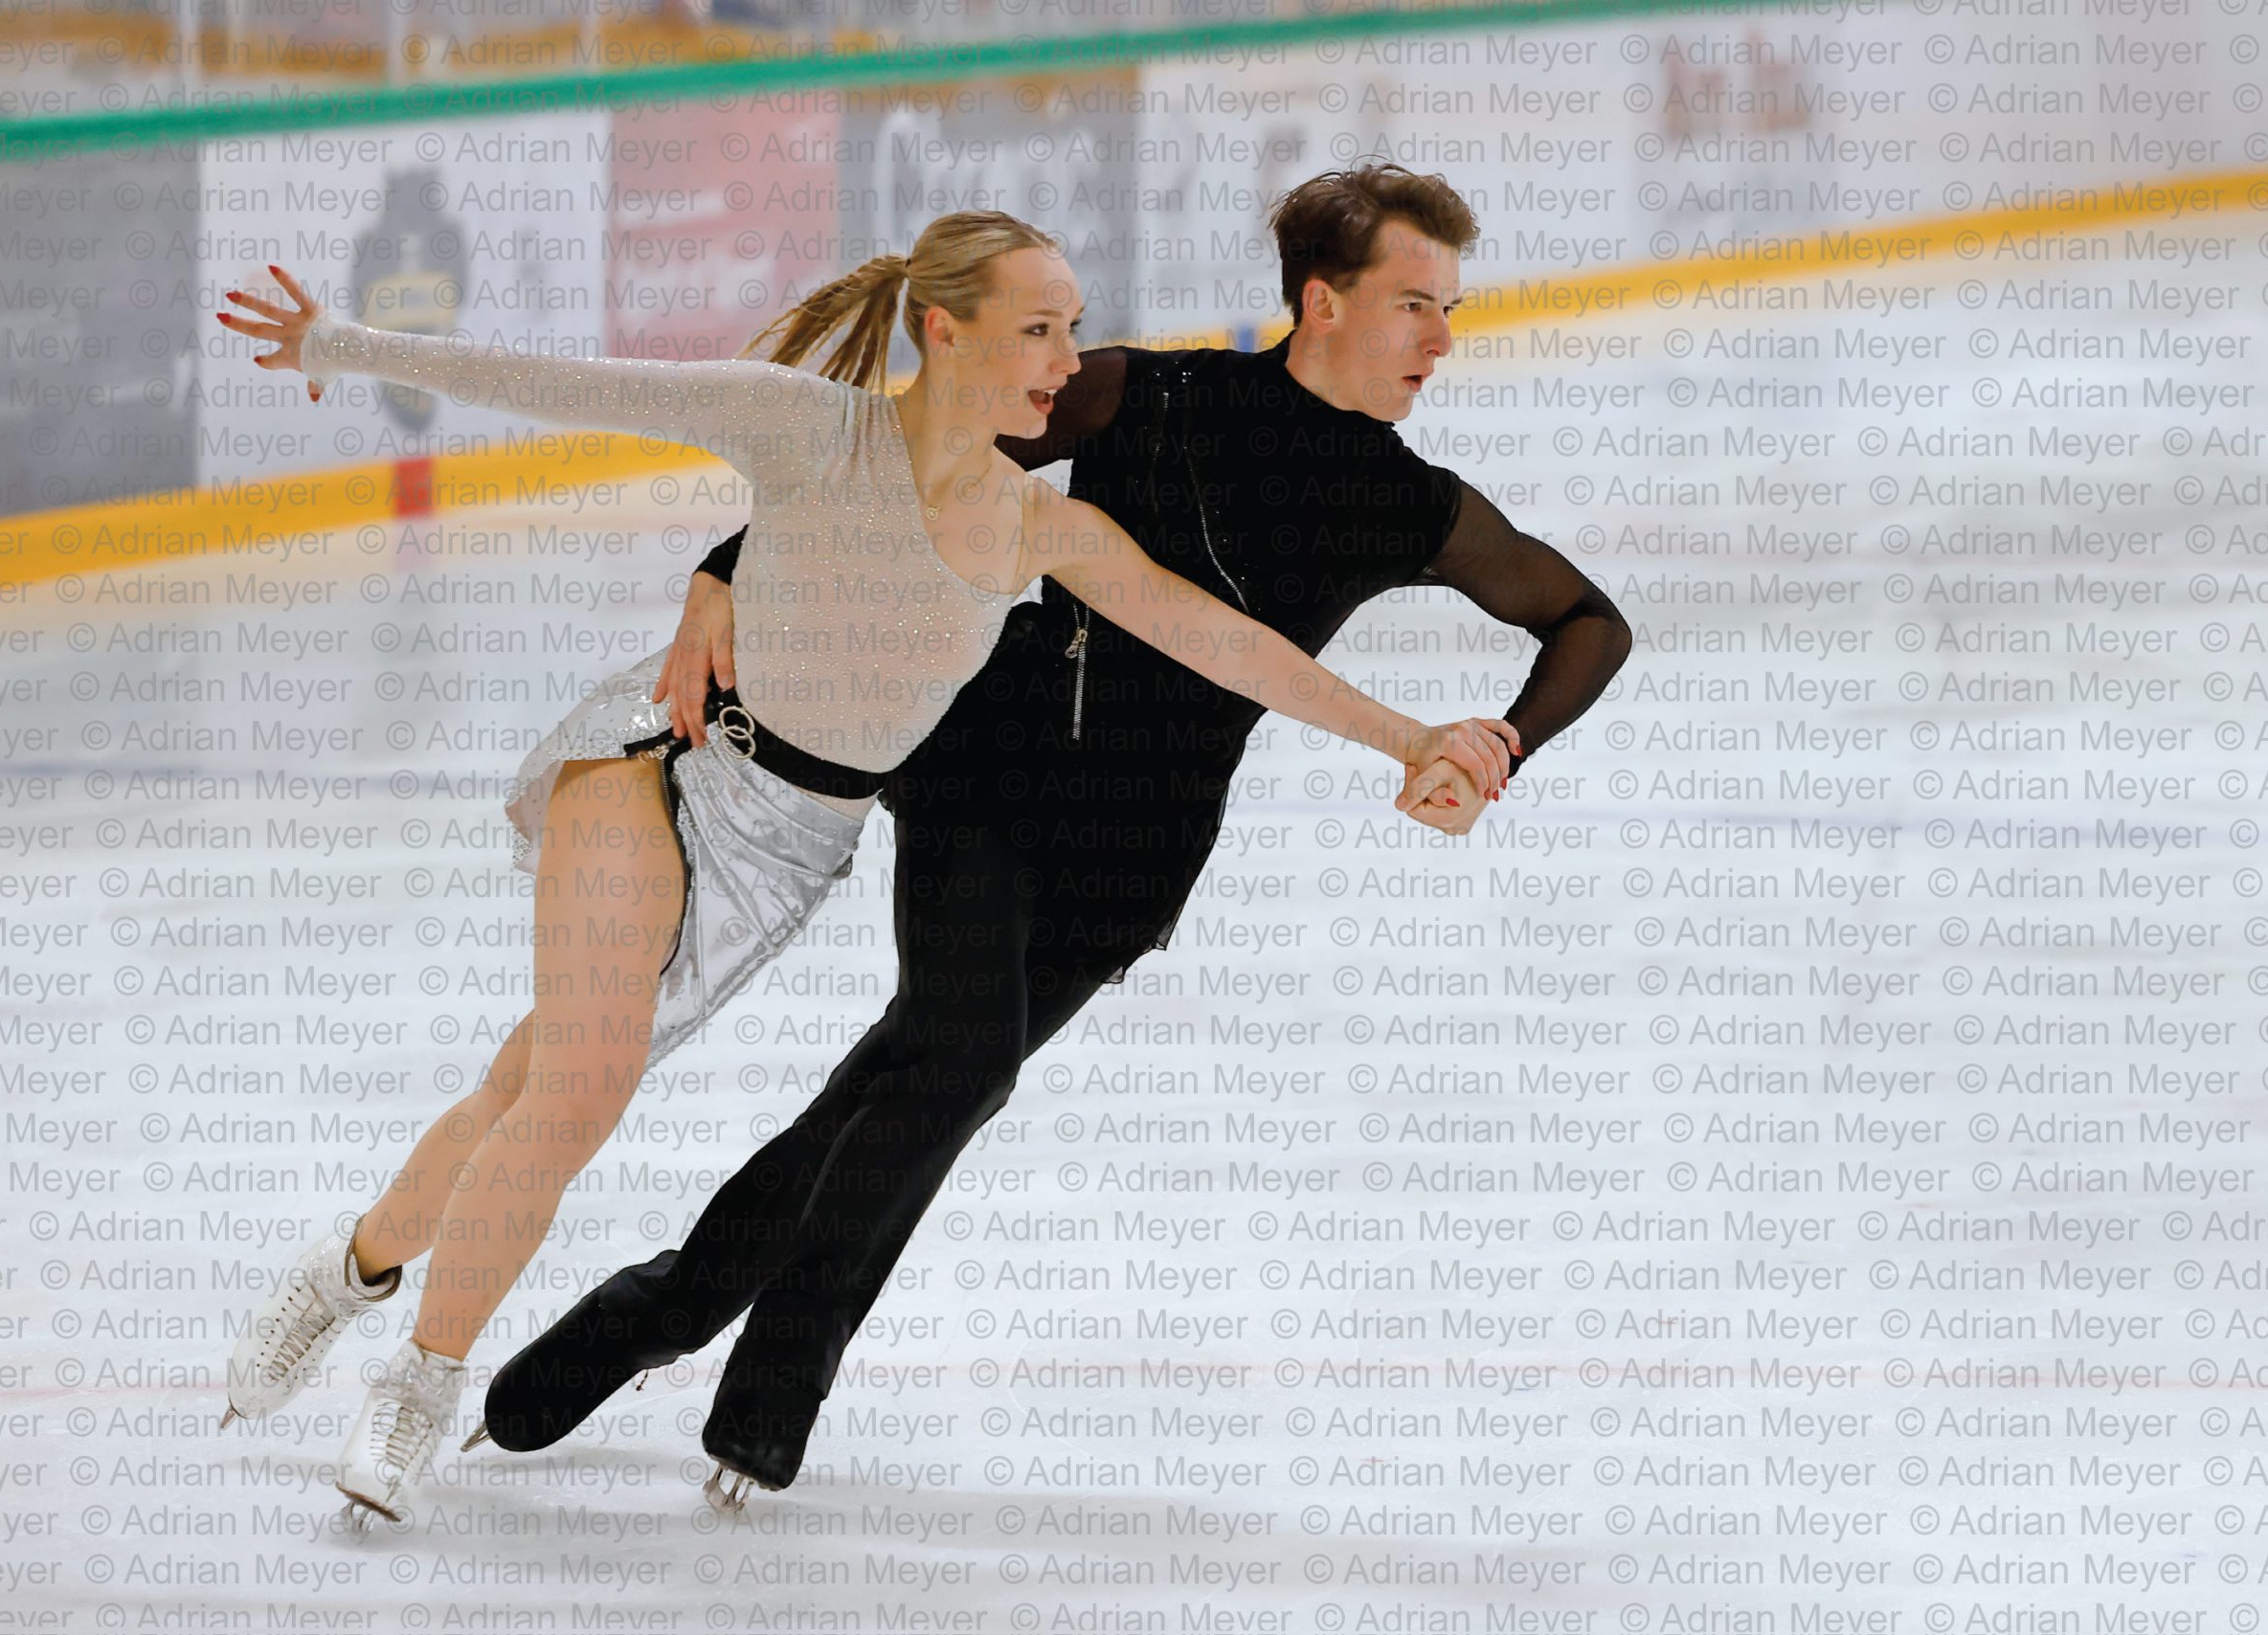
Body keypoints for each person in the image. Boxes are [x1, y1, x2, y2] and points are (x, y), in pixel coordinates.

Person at [207, 213, 1509, 1530]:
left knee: (522, 1090)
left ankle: (347, 1270)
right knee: (577, 1098)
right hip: (665, 768)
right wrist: (341, 341)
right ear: (945, 332)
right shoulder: (804, 429)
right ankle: (419, 1387)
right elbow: (580, 388)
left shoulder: (1031, 528)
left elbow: (1228, 643)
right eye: (1036, 330)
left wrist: (1409, 736)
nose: (1067, 359)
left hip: (788, 857)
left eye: (1069, 326)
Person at [478, 164, 1635, 1510]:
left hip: (1135, 856)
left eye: (1452, 308)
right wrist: (718, 575)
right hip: (988, 772)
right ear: (1323, 303)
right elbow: (889, 470)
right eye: (1416, 304)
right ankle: (770, 1391)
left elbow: (1590, 620)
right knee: (957, 1059)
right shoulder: (1151, 396)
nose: (1444, 339)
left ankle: (656, 1308)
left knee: (908, 1079)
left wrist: (1496, 742)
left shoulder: (1409, 504)